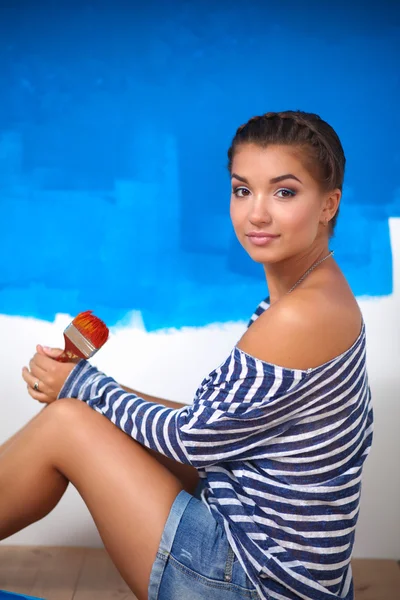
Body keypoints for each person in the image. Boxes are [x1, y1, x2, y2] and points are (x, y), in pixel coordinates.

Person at [5, 110, 372, 600]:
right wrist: (86, 387)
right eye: (243, 190)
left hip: (257, 583)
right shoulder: (314, 293)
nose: (256, 213)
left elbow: (192, 442)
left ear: (329, 204)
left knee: (65, 424)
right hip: (284, 566)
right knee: (82, 412)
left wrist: (81, 389)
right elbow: (210, 429)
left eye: (284, 192)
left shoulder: (299, 317)